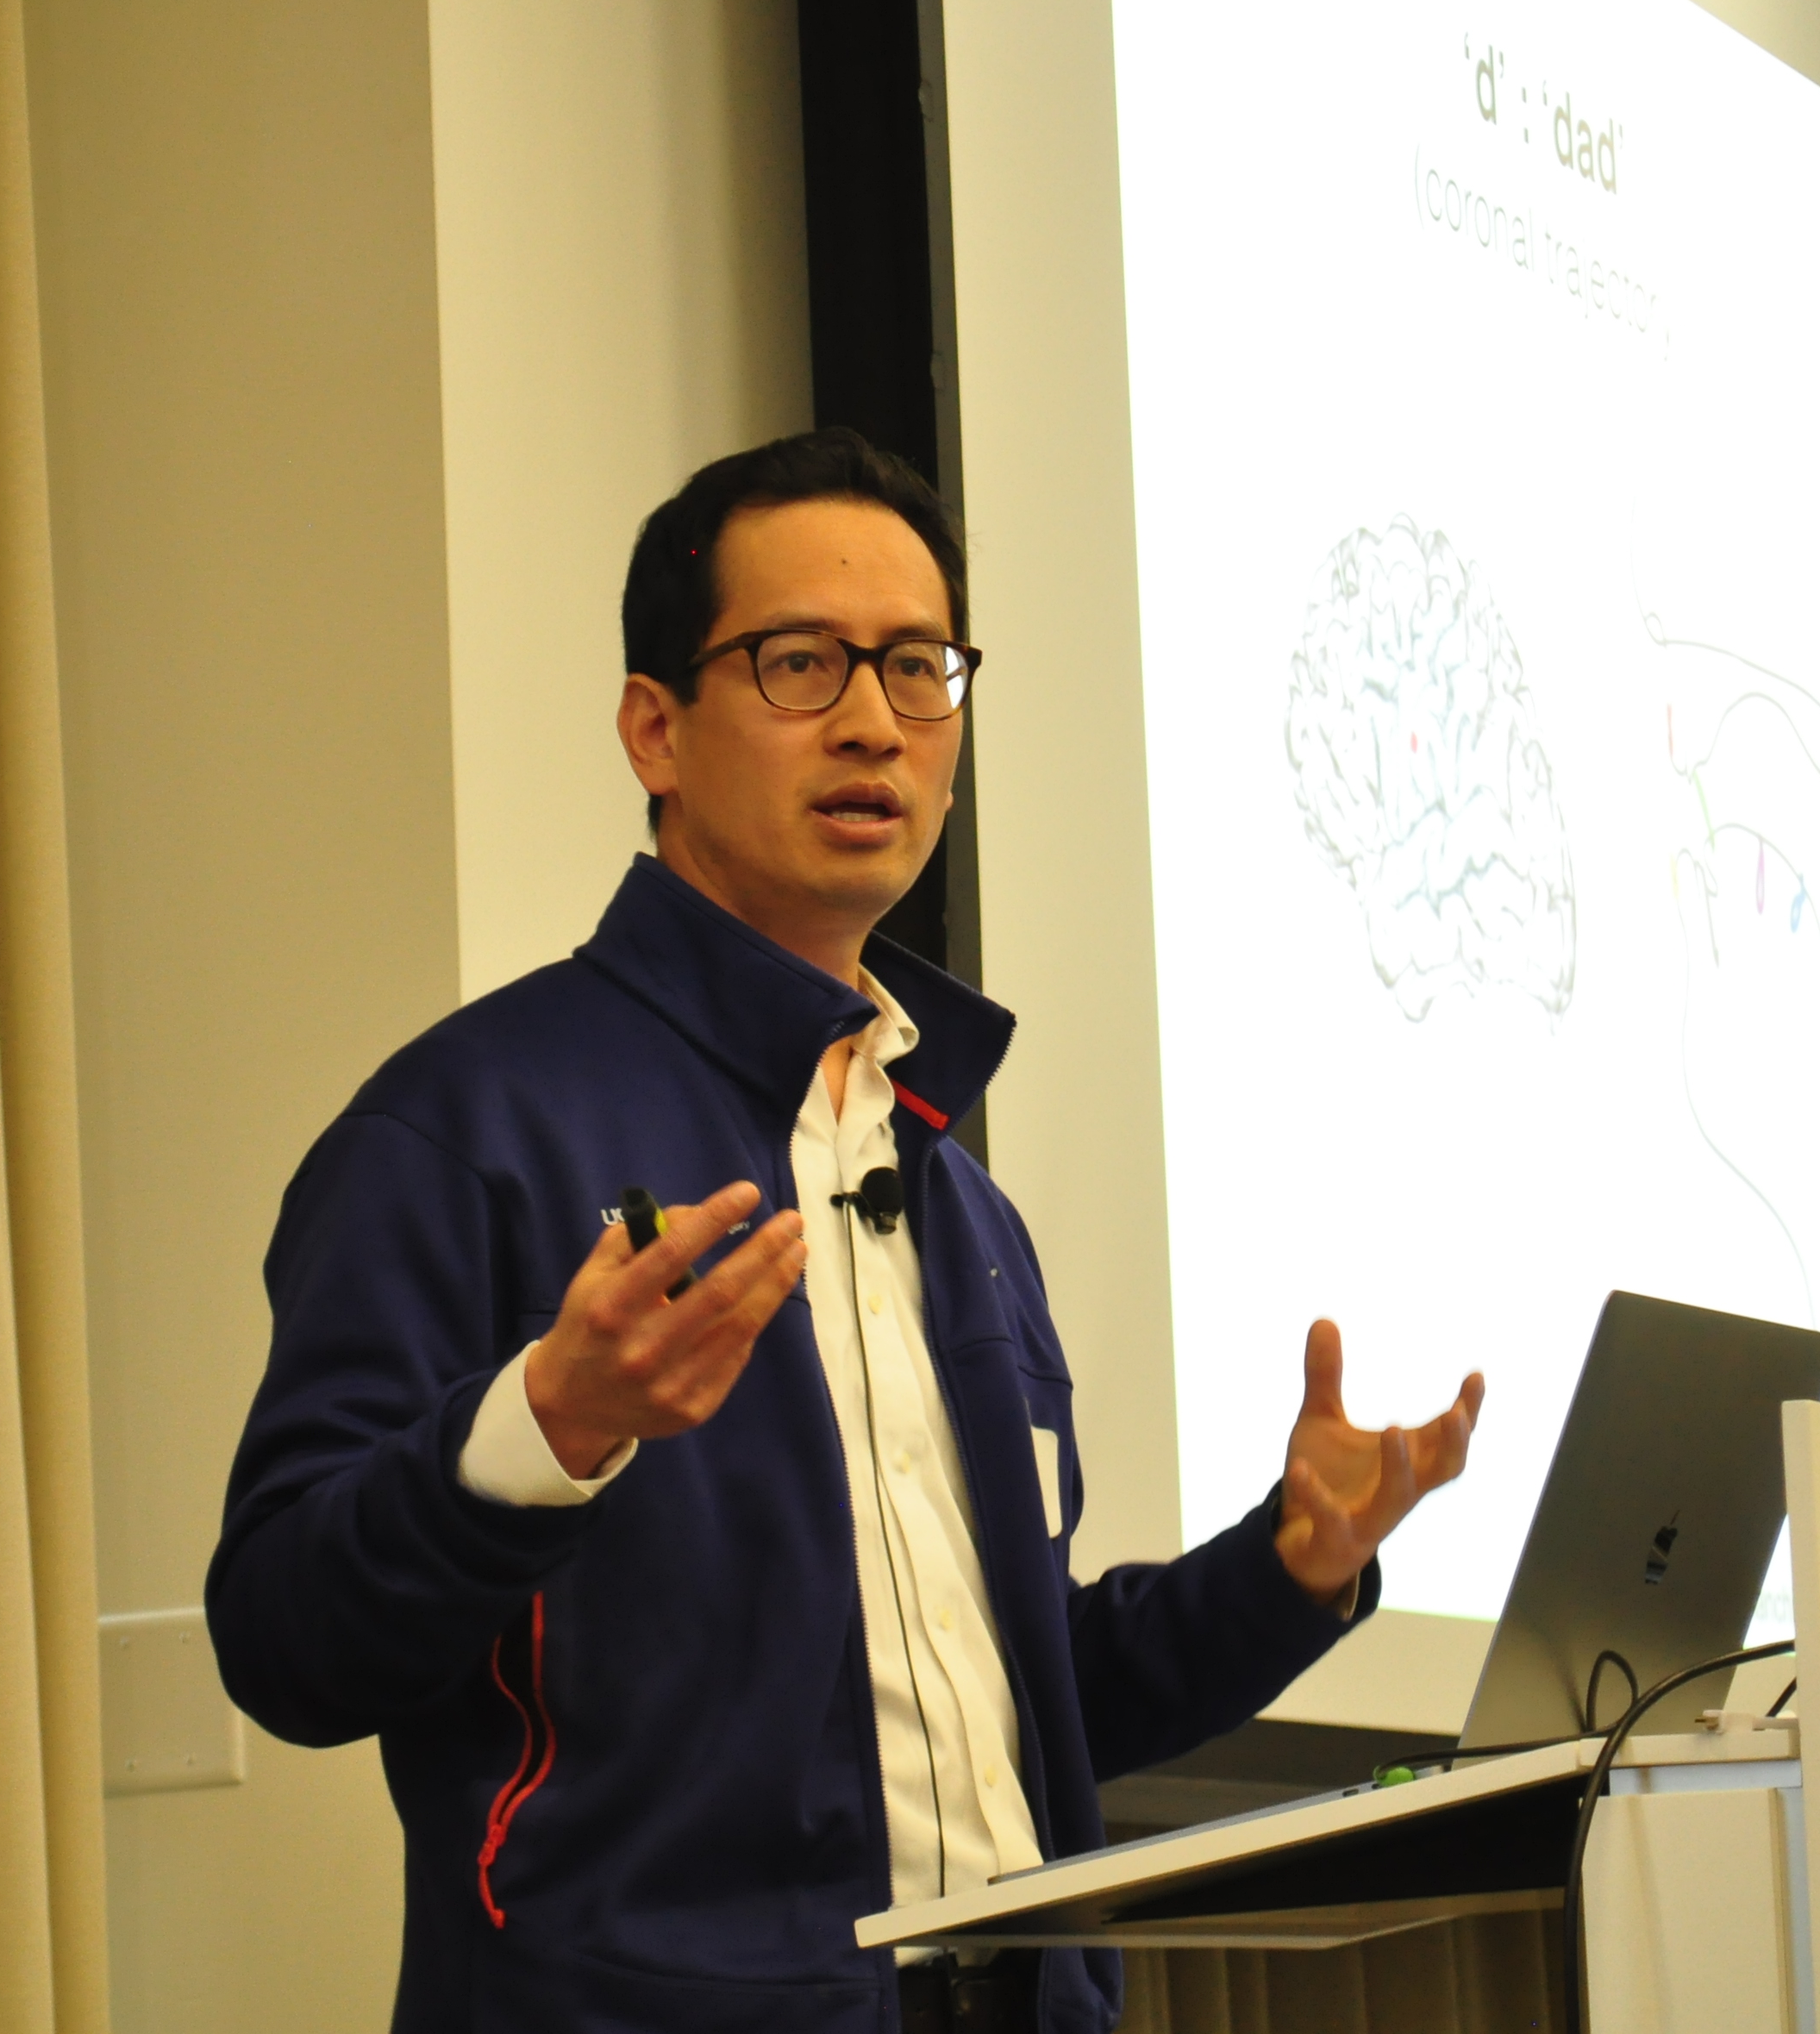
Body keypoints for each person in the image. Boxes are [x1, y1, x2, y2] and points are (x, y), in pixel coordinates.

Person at [210, 429, 1485, 2034]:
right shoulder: (467, 1132)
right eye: (800, 663)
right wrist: (546, 1427)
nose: (877, 719)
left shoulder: (957, 1198)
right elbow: (281, 1641)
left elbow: (1008, 1698)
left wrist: (1290, 1573)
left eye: (919, 667)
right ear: (653, 728)